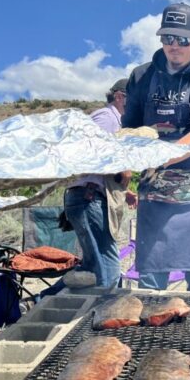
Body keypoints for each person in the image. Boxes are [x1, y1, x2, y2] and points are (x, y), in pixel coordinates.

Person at [123, 2, 190, 291]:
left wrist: (161, 154)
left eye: (182, 39)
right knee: (151, 273)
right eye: (167, 37)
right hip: (155, 184)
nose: (174, 45)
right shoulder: (141, 77)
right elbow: (129, 128)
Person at [64, 79, 137, 288]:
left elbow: (99, 170)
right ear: (120, 97)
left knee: (91, 267)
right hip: (88, 198)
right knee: (109, 269)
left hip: (89, 195)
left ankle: (36, 303)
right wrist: (122, 167)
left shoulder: (114, 121)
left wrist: (126, 190)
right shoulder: (106, 118)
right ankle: (101, 315)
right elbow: (91, 150)